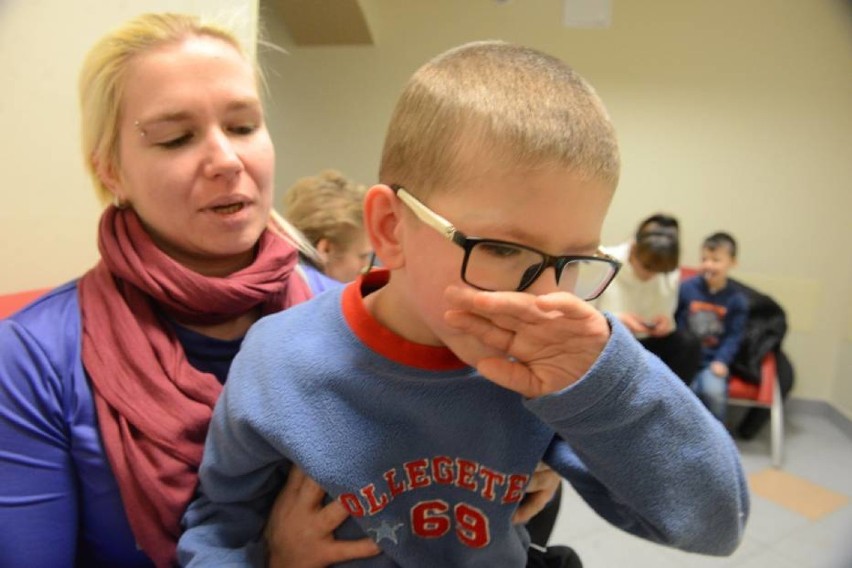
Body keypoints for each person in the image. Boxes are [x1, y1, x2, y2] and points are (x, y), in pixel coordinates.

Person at [0, 15, 558, 568]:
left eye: (243, 126)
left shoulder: (351, 314)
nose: (226, 160)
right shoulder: (33, 359)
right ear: (111, 170)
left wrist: (518, 453)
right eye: (176, 138)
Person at [179, 41, 749, 566]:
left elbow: (715, 525)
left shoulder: (549, 371)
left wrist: (606, 385)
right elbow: (217, 529)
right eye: (501, 248)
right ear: (390, 228)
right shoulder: (278, 363)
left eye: (574, 261)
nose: (544, 299)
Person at [595, 214, 702, 382]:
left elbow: (667, 315)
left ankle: (671, 402)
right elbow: (580, 314)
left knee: (689, 344)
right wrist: (616, 320)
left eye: (659, 271)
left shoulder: (670, 272)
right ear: (633, 247)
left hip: (647, 343)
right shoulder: (604, 261)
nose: (651, 275)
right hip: (607, 340)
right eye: (646, 267)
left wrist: (666, 324)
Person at [676, 232, 748, 421]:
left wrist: (722, 360)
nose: (708, 264)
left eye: (716, 260)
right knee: (684, 394)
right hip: (686, 358)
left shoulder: (737, 300)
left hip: (712, 361)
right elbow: (677, 322)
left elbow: (735, 335)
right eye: (704, 259)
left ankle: (716, 439)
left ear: (732, 263)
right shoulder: (686, 288)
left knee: (712, 391)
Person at [282, 169, 372, 293]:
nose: (367, 267)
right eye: (363, 256)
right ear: (326, 249)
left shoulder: (278, 284)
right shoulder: (337, 302)